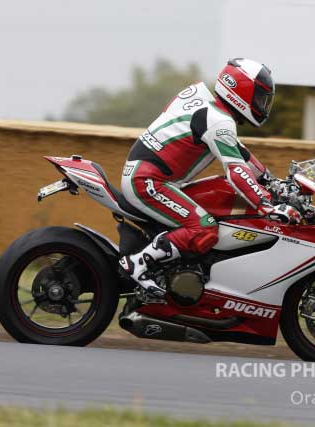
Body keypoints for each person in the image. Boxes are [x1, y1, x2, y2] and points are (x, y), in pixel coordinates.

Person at [118, 58, 301, 298]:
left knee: (218, 195)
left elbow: (240, 154)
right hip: (147, 182)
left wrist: (272, 182)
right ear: (242, 91)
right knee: (204, 228)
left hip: (152, 177)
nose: (262, 105)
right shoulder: (218, 121)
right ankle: (139, 264)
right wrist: (266, 205)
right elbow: (236, 170)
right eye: (259, 97)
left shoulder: (205, 104)